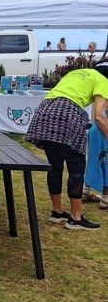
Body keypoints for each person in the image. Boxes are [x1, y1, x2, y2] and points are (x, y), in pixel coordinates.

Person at [25, 64, 108, 230]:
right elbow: (99, 116)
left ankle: (57, 212)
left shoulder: (76, 73)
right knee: (76, 167)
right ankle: (76, 218)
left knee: (55, 166)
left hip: (44, 110)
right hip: (67, 114)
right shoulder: (103, 80)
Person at [82, 107, 108, 209]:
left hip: (96, 127)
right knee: (105, 161)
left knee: (93, 159)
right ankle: (106, 198)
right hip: (104, 126)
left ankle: (85, 190)